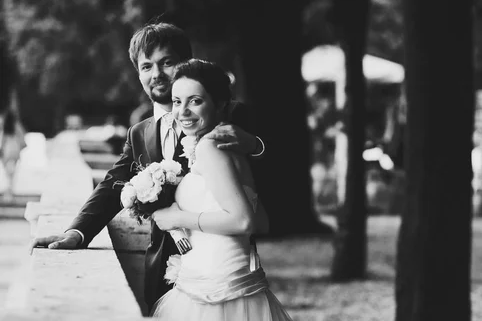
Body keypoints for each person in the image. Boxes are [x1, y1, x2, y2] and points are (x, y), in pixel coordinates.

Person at [29, 22, 266, 311]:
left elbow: (263, 178)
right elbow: (112, 185)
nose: (157, 74)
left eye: (167, 62)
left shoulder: (226, 114)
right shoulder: (139, 133)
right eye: (146, 66)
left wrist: (254, 144)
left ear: (185, 64)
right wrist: (76, 232)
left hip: (220, 269)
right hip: (162, 272)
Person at [150, 58, 293, 320]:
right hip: (229, 282)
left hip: (217, 292)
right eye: (177, 101)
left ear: (220, 104)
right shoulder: (228, 146)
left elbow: (243, 220)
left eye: (195, 101)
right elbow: (262, 222)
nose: (183, 111)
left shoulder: (210, 147)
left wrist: (178, 217)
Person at [0, 109, 27, 202]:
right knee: (12, 174)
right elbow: (22, 139)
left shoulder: (5, 127)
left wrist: (2, 151)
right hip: (15, 151)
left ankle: (8, 194)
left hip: (7, 152)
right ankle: (9, 193)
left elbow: (3, 141)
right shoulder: (17, 126)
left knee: (8, 174)